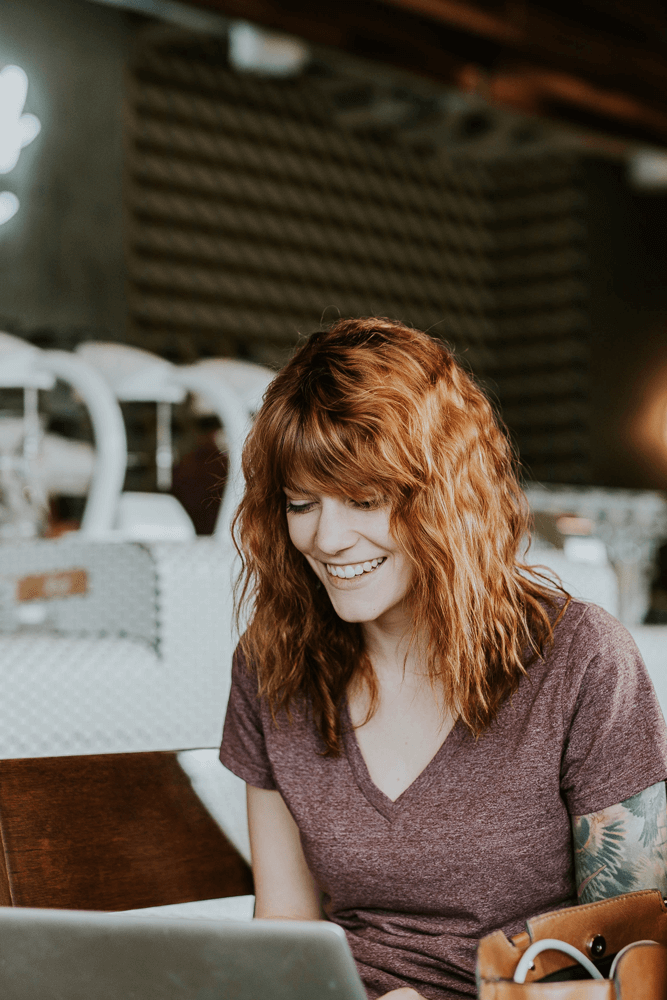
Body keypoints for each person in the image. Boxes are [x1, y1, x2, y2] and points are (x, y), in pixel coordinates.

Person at [220, 317, 667, 1000]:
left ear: (446, 497)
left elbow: (638, 962)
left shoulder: (579, 661)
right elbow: (283, 933)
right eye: (300, 503)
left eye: (365, 500)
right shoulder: (272, 666)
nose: (328, 538)